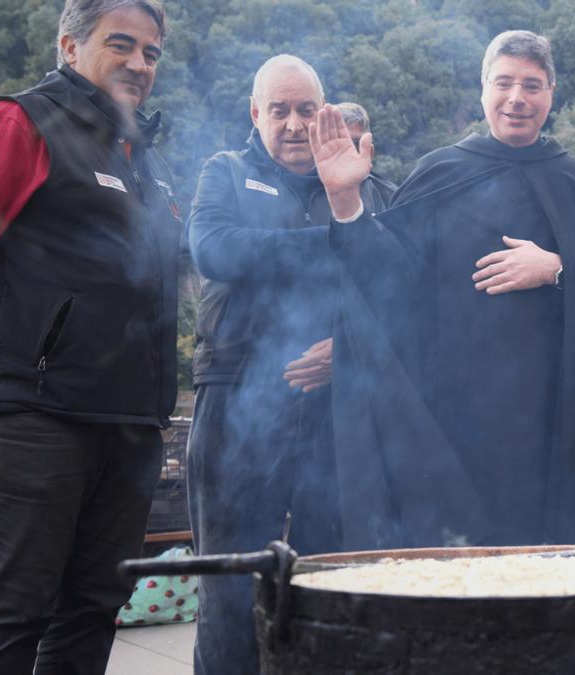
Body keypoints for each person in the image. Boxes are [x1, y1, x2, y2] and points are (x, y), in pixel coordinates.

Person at [310, 30, 575, 549]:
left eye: (532, 85)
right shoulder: (440, 173)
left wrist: (560, 268)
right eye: (504, 82)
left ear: (551, 95)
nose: (516, 97)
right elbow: (388, 282)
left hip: (559, 426)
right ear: (482, 90)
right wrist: (346, 202)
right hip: (459, 424)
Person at [0, 1, 184, 672]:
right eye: (119, 44)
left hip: (130, 424)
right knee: (13, 612)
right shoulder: (19, 123)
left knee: (93, 608)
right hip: (34, 417)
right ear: (69, 45)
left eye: (151, 53)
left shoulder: (145, 162)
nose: (138, 63)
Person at [184, 54, 395, 675]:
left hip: (337, 404)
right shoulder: (224, 171)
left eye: (307, 109)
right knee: (228, 580)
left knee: (327, 574)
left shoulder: (358, 185)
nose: (295, 123)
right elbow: (216, 249)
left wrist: (350, 344)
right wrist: (329, 243)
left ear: (325, 111)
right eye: (280, 109)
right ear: (256, 114)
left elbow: (396, 286)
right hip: (234, 393)